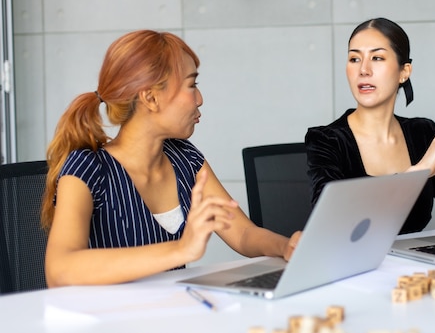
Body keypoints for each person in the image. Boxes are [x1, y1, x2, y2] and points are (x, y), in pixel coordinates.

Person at [41, 30, 300, 287]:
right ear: (151, 98)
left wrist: (285, 245)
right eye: (192, 85)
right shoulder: (87, 167)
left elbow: (243, 233)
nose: (200, 99)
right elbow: (60, 271)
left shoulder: (185, 158)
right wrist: (182, 249)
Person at [305, 18, 435, 234]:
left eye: (377, 58)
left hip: (412, 264)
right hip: (353, 265)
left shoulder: (421, 133)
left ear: (404, 72)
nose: (363, 70)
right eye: (354, 58)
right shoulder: (326, 140)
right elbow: (332, 220)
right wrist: (417, 173)